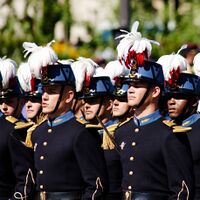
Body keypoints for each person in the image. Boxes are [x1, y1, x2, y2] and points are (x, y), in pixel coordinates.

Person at [114, 22, 194, 199]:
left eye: (138, 85)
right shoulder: (122, 131)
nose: (131, 90)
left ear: (155, 91)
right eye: (129, 85)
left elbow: (182, 191)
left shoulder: (170, 134)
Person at [23, 41, 108, 200]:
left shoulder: (81, 132)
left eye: (52, 91)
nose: (45, 97)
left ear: (69, 96)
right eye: (44, 91)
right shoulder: (37, 132)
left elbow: (96, 187)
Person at [160, 52, 200, 199]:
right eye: (169, 96)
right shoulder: (163, 129)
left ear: (194, 101)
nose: (171, 101)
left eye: (179, 97)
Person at [0, 57, 35, 199]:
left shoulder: (16, 130)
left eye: (9, 101)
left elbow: (25, 180)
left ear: (21, 101)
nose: (3, 106)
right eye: (0, 101)